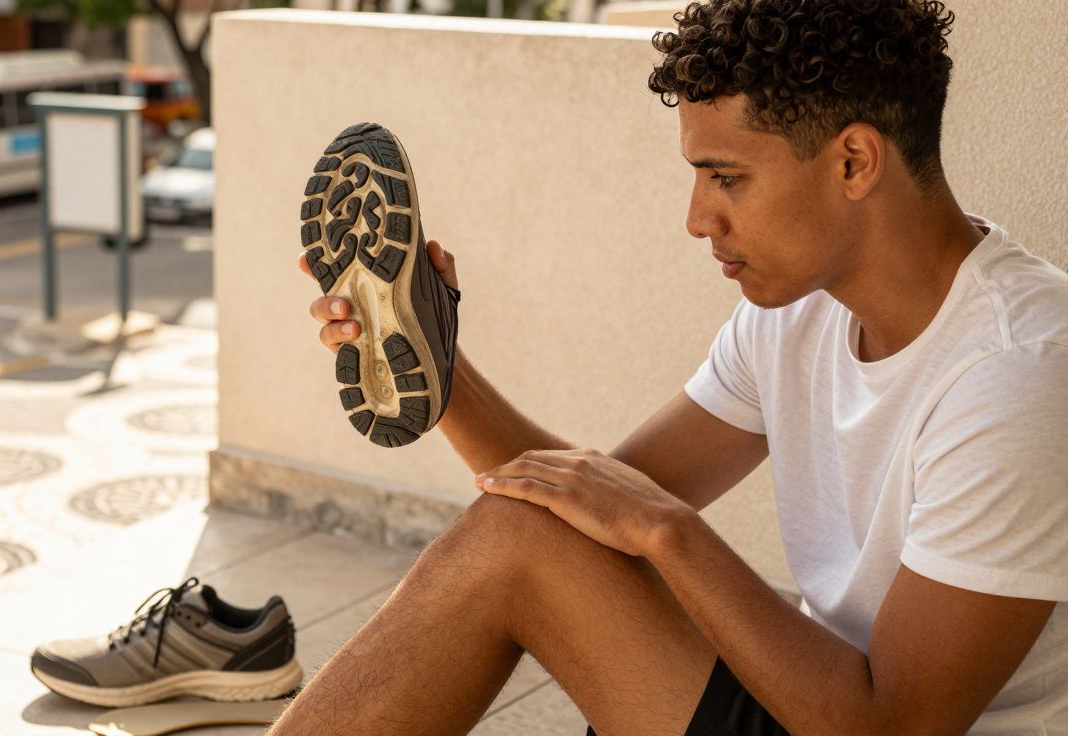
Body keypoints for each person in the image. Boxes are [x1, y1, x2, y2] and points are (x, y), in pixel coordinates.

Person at [278, 0, 1068, 733]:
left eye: (727, 178)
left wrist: (669, 531)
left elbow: (890, 725)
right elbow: (578, 514)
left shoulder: (1018, 374)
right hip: (813, 706)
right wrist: (437, 362)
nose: (697, 219)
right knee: (522, 530)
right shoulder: (797, 314)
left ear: (855, 162)